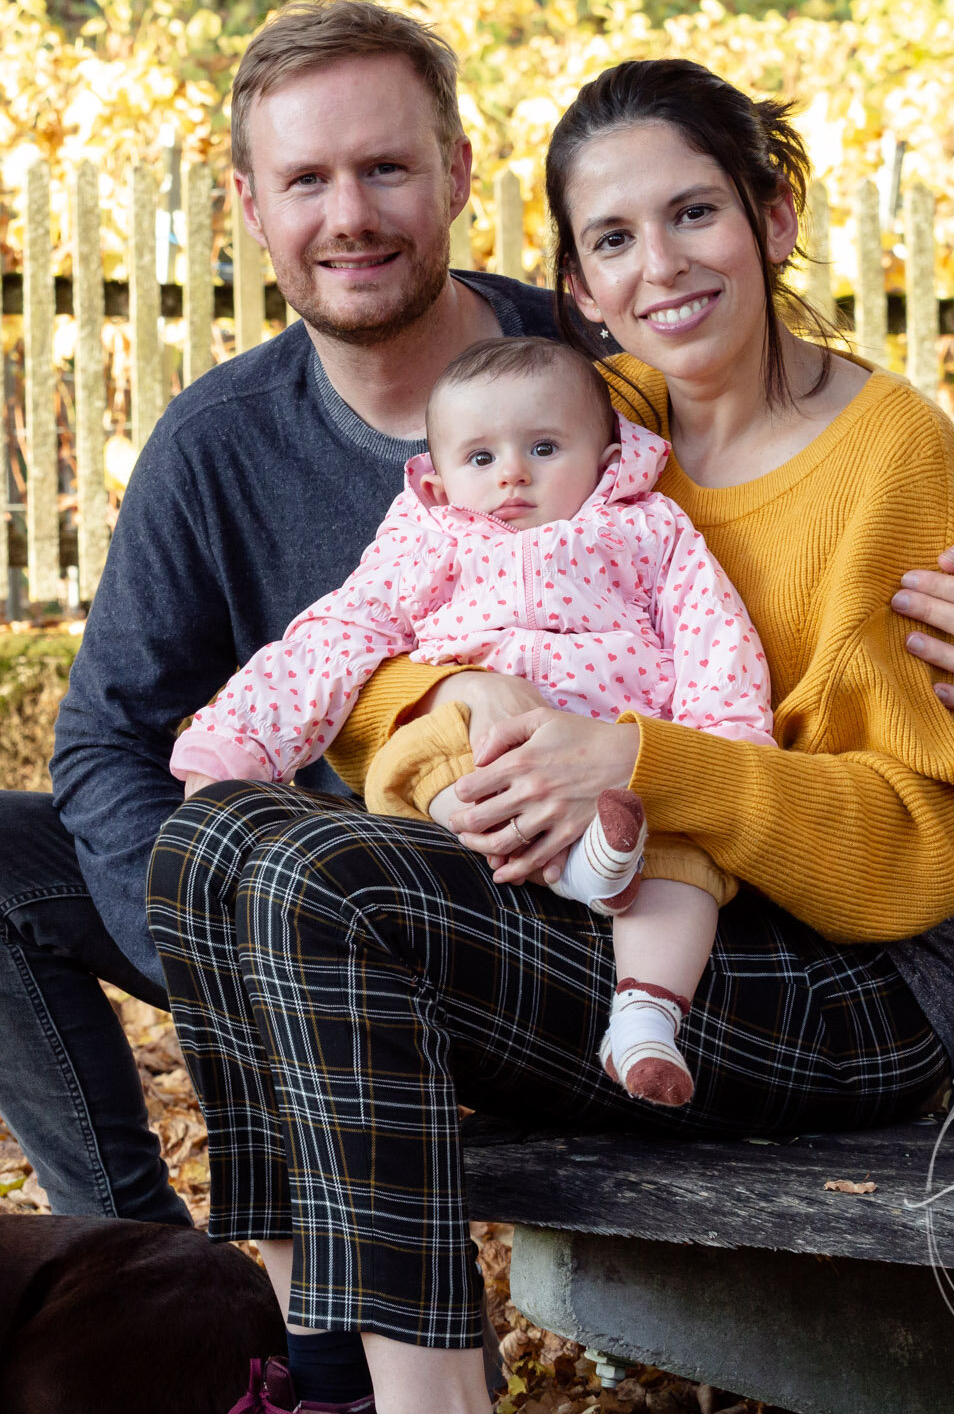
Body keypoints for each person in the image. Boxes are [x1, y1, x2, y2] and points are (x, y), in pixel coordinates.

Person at [0, 0, 954, 1205]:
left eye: (385, 167)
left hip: (601, 879)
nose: (348, 216)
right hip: (360, 866)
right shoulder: (220, 444)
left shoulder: (600, 379)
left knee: (305, 875)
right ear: (251, 207)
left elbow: (819, 491)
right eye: (307, 180)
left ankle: (362, 1358)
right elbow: (109, 742)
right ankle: (137, 1264)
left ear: (454, 175)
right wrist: (231, 963)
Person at [147, 53, 954, 1414]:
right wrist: (474, 713)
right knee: (214, 835)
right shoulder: (572, 415)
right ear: (581, 282)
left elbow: (927, 838)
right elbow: (388, 639)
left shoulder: (885, 452)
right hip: (593, 922)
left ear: (775, 216)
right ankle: (320, 1392)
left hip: (834, 979)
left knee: (315, 876)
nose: (661, 265)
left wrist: (633, 758)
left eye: (694, 214)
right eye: (614, 239)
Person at [165, 333, 775, 1106]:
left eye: (545, 447)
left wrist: (722, 749)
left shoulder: (649, 529)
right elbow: (339, 632)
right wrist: (237, 740)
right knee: (427, 749)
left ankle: (644, 1020)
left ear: (606, 452)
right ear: (442, 474)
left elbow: (713, 638)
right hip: (479, 762)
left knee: (689, 870)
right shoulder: (433, 536)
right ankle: (576, 866)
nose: (512, 473)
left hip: (620, 773)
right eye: (479, 458)